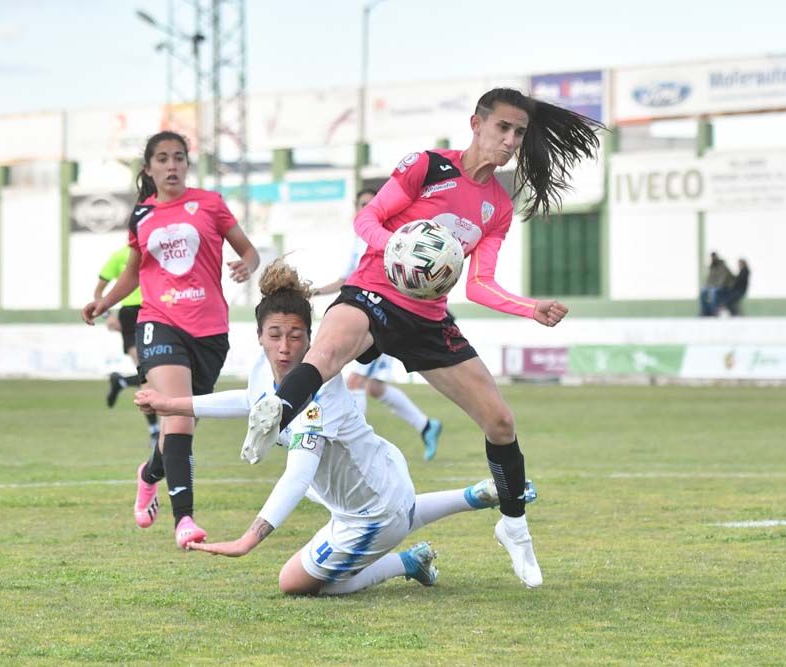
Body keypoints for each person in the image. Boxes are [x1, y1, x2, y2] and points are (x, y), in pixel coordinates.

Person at [241, 87, 603, 588]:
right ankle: (274, 414)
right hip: (372, 292)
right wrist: (401, 249)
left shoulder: (496, 206)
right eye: (503, 128)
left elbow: (478, 284)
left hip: (428, 318)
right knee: (328, 352)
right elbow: (366, 219)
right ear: (476, 124)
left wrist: (529, 307)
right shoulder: (428, 167)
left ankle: (513, 527)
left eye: (518, 133)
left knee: (500, 421)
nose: (510, 141)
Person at [133, 259, 535, 595]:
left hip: (370, 512)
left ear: (312, 338)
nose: (285, 347)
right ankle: (477, 494)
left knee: (295, 583)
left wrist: (249, 539)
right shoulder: (264, 370)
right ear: (259, 337)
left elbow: (297, 474)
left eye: (296, 336)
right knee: (396, 514)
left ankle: (407, 561)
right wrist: (171, 403)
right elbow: (246, 401)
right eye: (275, 335)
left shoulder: (317, 393)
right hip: (381, 481)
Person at [81, 130, 260, 548]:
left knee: (182, 421)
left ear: (186, 164)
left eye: (179, 157)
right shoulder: (142, 216)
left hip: (210, 331)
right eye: (162, 159)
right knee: (178, 417)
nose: (172, 165)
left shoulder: (210, 204)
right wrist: (104, 302)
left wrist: (246, 266)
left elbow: (248, 251)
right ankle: (185, 521)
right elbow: (133, 271)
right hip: (158, 322)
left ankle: (148, 476)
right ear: (150, 169)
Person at [313, 187, 443, 460]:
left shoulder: (397, 240)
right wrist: (314, 292)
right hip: (366, 313)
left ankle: (355, 449)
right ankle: (426, 425)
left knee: (357, 381)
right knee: (372, 386)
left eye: (371, 203)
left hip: (381, 317)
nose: (366, 207)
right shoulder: (360, 240)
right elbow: (346, 280)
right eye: (361, 203)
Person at [95, 245, 161, 449]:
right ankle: (154, 431)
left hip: (155, 313)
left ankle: (121, 381)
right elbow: (98, 291)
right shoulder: (119, 256)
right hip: (130, 315)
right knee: (146, 372)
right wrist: (108, 315)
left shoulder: (158, 252)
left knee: (154, 376)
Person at [699, 251, 734, 316]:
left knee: (713, 292)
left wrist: (714, 286)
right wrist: (707, 286)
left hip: (722, 287)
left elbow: (723, 279)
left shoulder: (722, 266)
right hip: (712, 286)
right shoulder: (712, 267)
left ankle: (714, 311)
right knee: (703, 291)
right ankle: (705, 311)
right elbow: (709, 279)